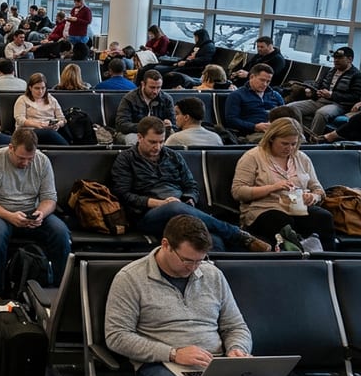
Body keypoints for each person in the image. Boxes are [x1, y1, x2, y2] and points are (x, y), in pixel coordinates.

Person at [104, 215, 306, 376]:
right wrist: (173, 353)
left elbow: (235, 326)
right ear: (166, 244)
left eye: (200, 261)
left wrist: (237, 349)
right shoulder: (130, 278)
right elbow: (117, 336)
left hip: (218, 365)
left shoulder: (211, 274)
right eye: (187, 260)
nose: (193, 268)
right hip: (161, 366)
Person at [111, 117, 263, 252]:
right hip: (147, 215)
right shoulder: (126, 160)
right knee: (173, 207)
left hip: (182, 209)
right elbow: (124, 195)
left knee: (213, 242)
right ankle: (236, 233)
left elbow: (191, 185)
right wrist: (160, 203)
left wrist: (189, 199)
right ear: (139, 137)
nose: (157, 147)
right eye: (152, 142)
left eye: (161, 142)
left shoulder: (172, 156)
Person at [0, 128, 71, 304]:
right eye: (21, 158)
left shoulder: (42, 161)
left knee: (61, 232)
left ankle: (60, 288)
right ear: (11, 148)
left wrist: (40, 213)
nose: (26, 163)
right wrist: (9, 216)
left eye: (30, 158)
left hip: (31, 211)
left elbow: (49, 198)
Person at [232, 117, 334, 249]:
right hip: (264, 209)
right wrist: (272, 187)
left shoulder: (302, 158)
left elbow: (318, 190)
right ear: (271, 138)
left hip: (298, 209)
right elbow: (238, 192)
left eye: (293, 144)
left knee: (324, 217)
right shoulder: (252, 157)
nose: (289, 148)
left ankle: (324, 259)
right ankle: (300, 254)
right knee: (281, 221)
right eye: (285, 143)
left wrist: (313, 197)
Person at [286, 46, 361, 135]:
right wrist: (311, 91)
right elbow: (318, 84)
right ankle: (299, 134)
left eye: (340, 58)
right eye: (335, 58)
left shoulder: (356, 75)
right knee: (290, 108)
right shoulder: (330, 71)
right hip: (320, 101)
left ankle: (314, 139)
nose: (336, 60)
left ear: (350, 59)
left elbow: (355, 96)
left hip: (339, 105)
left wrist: (332, 95)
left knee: (321, 113)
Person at [223, 64, 284, 141]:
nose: (265, 84)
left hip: (276, 131)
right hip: (251, 133)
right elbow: (231, 120)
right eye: (262, 80)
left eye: (268, 81)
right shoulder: (237, 95)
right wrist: (254, 126)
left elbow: (285, 115)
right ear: (252, 77)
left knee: (298, 138)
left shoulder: (275, 95)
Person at [114, 70, 174, 145]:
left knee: (174, 139)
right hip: (135, 133)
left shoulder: (166, 99)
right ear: (143, 84)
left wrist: (169, 125)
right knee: (136, 141)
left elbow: (174, 124)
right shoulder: (129, 99)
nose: (155, 91)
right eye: (152, 87)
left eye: (158, 87)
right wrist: (147, 128)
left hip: (159, 134)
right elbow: (121, 124)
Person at [14, 73, 69, 145]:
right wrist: (38, 124)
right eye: (37, 88)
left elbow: (62, 119)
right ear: (30, 88)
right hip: (29, 132)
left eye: (43, 88)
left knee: (51, 133)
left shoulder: (51, 100)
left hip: (50, 130)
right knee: (49, 133)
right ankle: (68, 148)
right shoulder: (22, 99)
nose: (40, 91)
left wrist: (57, 124)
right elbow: (20, 119)